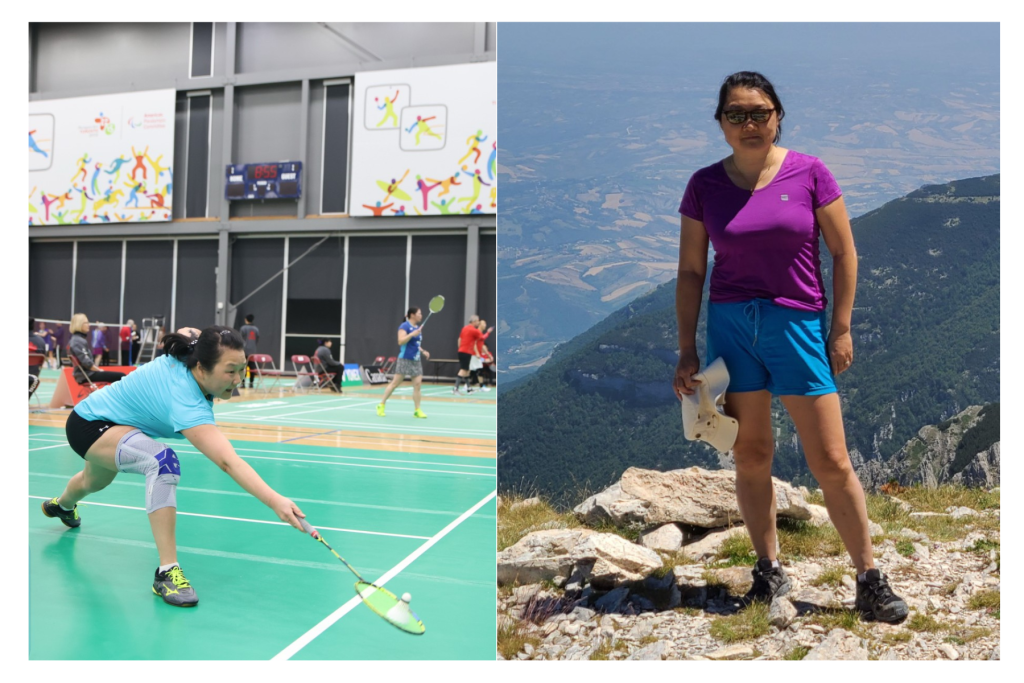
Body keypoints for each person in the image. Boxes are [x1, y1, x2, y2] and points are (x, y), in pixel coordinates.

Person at [673, 71, 908, 624]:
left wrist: (842, 326)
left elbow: (844, 252)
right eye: (736, 114)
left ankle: (869, 577)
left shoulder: (810, 172)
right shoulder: (703, 185)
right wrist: (687, 348)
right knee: (751, 455)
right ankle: (768, 569)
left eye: (759, 112)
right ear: (721, 123)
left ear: (778, 116)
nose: (749, 123)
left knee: (830, 459)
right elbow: (689, 271)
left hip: (796, 324)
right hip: (731, 327)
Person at [40, 325, 308, 607]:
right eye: (230, 371)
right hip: (91, 423)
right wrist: (274, 500)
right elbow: (229, 462)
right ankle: (166, 572)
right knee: (161, 461)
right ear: (202, 367)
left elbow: (188, 330)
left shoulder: (194, 350)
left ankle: (62, 506)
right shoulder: (187, 401)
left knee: (92, 482)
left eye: (242, 369)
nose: (238, 379)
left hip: (116, 422)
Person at [376, 307, 431, 418]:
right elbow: (400, 341)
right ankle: (381, 404)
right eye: (419, 313)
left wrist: (423, 351)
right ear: (412, 315)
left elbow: (415, 344)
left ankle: (417, 410)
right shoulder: (404, 326)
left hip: (416, 360)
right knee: (395, 384)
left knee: (417, 385)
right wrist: (412, 334)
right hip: (405, 359)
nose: (421, 315)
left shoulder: (417, 328)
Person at [68, 314, 126, 386]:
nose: (88, 325)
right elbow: (87, 363)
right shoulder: (77, 341)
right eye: (86, 323)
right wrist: (99, 370)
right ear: (79, 324)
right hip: (87, 375)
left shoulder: (78, 339)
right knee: (122, 376)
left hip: (86, 374)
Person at [454, 315, 493, 394]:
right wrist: (488, 332)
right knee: (463, 370)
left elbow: (459, 339)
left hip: (463, 351)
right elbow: (482, 338)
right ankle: (456, 389)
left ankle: (468, 388)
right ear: (474, 322)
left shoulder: (464, 328)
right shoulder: (474, 331)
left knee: (468, 370)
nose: (478, 322)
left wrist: (460, 348)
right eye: (478, 321)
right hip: (467, 352)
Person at [239, 314, 260, 389]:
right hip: (252, 351)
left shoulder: (243, 328)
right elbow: (257, 340)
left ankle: (243, 383)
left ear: (246, 319)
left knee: (243, 367)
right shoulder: (256, 329)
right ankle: (251, 384)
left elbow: (240, 339)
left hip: (244, 351)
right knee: (252, 367)